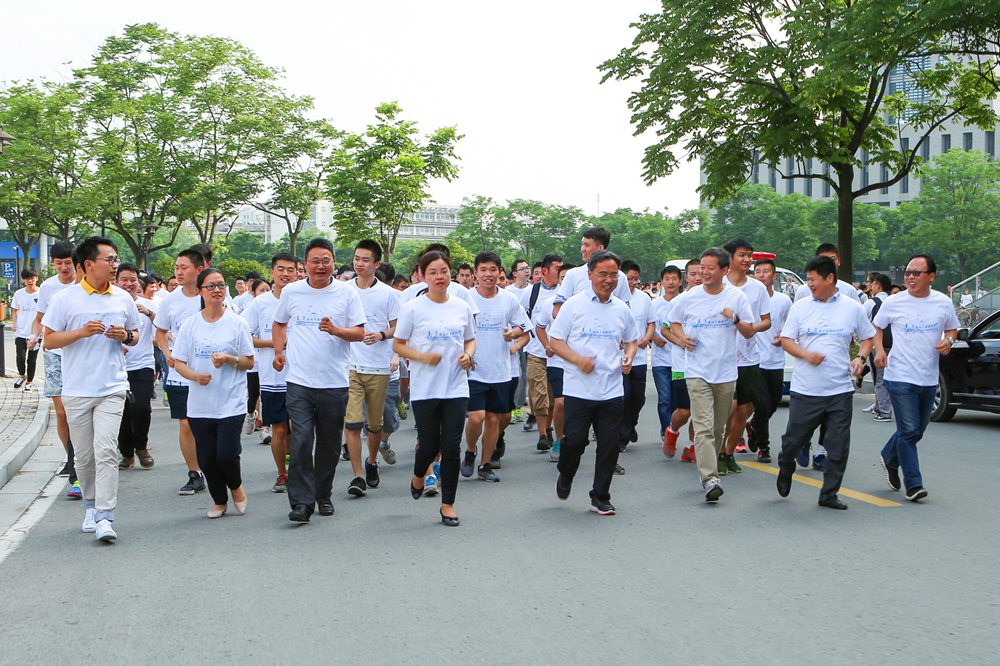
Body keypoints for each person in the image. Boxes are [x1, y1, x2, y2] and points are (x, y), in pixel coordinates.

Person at [42, 236, 141, 542]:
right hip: (77, 389)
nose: (114, 265)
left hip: (112, 386)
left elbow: (135, 334)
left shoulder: (122, 297)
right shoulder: (65, 299)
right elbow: (49, 340)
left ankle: (105, 516)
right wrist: (81, 332)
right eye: (108, 260)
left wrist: (125, 336)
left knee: (107, 451)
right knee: (84, 457)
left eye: (115, 259)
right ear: (88, 264)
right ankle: (90, 504)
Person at [273, 238, 367, 523]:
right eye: (315, 261)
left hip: (334, 381)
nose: (320, 266)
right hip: (299, 381)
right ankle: (301, 503)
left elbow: (360, 333)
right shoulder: (292, 292)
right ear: (305, 265)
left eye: (326, 261)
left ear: (334, 263)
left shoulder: (347, 293)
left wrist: (336, 330)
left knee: (328, 444)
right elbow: (279, 323)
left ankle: (323, 494)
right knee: (301, 441)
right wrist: (278, 351)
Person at [776, 255, 875, 510]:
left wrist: (861, 358)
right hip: (806, 389)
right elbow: (786, 340)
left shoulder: (852, 308)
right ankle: (786, 465)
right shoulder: (801, 307)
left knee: (838, 447)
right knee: (793, 441)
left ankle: (829, 494)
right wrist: (806, 355)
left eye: (813, 279)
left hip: (839, 390)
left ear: (830, 278)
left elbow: (868, 337)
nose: (809, 284)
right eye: (808, 279)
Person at [549, 250, 638, 516]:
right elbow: (555, 341)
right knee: (575, 442)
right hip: (578, 389)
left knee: (609, 446)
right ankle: (566, 472)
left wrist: (629, 357)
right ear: (590, 275)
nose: (609, 280)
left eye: (614, 275)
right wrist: (578, 360)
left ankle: (600, 495)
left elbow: (632, 340)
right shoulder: (573, 305)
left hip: (611, 390)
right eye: (603, 274)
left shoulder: (621, 308)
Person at [393, 250, 476, 527]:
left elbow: (470, 340)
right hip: (425, 389)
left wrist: (467, 355)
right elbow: (398, 344)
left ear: (450, 273)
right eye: (432, 272)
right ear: (421, 275)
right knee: (428, 446)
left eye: (444, 271)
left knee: (451, 447)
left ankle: (448, 505)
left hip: (456, 387)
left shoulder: (461, 306)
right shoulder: (412, 308)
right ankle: (419, 475)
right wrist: (422, 357)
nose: (439, 277)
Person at [668, 248, 754, 503]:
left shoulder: (736, 296)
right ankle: (710, 478)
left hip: (726, 372)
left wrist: (735, 318)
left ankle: (710, 466)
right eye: (702, 267)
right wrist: (682, 338)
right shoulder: (690, 296)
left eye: (710, 268)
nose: (704, 273)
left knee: (718, 428)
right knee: (704, 427)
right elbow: (673, 322)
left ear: (724, 270)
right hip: (697, 371)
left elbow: (749, 331)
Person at [873, 254, 958, 502]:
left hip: (929, 377)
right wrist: (879, 351)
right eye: (908, 272)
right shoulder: (894, 301)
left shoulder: (942, 302)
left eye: (916, 273)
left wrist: (949, 341)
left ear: (931, 276)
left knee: (916, 431)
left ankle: (889, 456)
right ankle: (914, 485)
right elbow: (876, 327)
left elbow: (952, 328)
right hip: (899, 375)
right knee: (908, 430)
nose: (910, 277)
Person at [172, 268, 255, 519]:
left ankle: (236, 487)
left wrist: (229, 359)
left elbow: (249, 361)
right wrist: (195, 376)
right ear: (200, 291)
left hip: (231, 400)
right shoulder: (190, 324)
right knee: (207, 459)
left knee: (227, 455)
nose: (217, 290)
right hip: (200, 403)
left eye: (221, 285)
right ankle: (220, 501)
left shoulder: (237, 322)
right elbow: (178, 362)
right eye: (210, 286)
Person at [461, 251, 527, 482]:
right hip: (474, 370)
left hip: (501, 370)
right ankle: (471, 450)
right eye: (483, 270)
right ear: (475, 273)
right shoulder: (466, 298)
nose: (488, 274)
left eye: (492, 270)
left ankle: (485, 465)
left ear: (499, 272)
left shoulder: (509, 299)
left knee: (493, 420)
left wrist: (512, 334)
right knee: (476, 418)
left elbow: (522, 328)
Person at [344, 239, 400, 496]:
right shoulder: (343, 290)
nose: (359, 263)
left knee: (374, 425)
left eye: (365, 259)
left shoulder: (389, 294)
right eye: (357, 258)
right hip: (350, 366)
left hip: (378, 367)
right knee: (353, 423)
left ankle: (372, 461)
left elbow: (398, 327)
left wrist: (380, 335)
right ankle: (357, 477)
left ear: (376, 264)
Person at [154, 248, 209, 495]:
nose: (178, 272)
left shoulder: (212, 295)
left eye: (184, 267)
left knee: (207, 424)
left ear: (199, 270)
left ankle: (213, 466)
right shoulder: (170, 300)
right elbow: (160, 332)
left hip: (208, 373)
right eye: (176, 267)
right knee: (185, 424)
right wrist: (167, 353)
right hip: (178, 373)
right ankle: (195, 473)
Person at [243, 253, 297, 492]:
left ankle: (297, 467)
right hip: (272, 377)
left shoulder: (303, 298)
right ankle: (282, 473)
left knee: (298, 428)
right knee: (280, 428)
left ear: (297, 273)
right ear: (272, 272)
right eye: (281, 269)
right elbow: (244, 335)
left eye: (291, 270)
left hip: (301, 377)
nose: (285, 274)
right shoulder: (260, 303)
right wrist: (273, 344)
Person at [31, 240, 80, 497]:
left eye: (68, 263)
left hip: (78, 352)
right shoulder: (49, 287)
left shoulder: (83, 284)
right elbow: (39, 319)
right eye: (59, 263)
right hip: (54, 353)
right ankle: (70, 458)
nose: (64, 267)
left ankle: (79, 460)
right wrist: (34, 336)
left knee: (75, 411)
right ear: (52, 263)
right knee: (61, 412)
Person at [720, 239, 771, 473]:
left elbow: (766, 321)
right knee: (728, 409)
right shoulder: (718, 285)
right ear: (730, 258)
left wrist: (751, 328)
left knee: (744, 410)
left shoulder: (757, 288)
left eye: (749, 255)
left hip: (749, 357)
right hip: (723, 357)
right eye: (742, 255)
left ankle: (729, 453)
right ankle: (719, 451)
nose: (747, 259)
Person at [748, 259, 792, 464]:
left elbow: (792, 325)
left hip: (775, 359)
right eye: (757, 271)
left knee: (774, 402)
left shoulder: (783, 301)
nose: (761, 275)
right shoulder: (747, 299)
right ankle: (763, 447)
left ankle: (752, 426)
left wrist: (784, 336)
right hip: (755, 360)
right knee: (762, 405)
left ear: (773, 276)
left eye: (765, 271)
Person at [114, 263, 157, 470]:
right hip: (116, 366)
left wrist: (149, 313)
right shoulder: (109, 304)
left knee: (140, 407)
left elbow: (164, 328)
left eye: (133, 279)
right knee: (122, 412)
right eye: (124, 279)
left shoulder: (147, 305)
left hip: (143, 364)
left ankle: (141, 447)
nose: (129, 283)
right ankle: (126, 454)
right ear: (115, 281)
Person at [518, 254, 563, 450]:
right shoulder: (531, 292)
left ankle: (550, 429)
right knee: (538, 394)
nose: (560, 273)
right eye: (556, 269)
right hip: (536, 351)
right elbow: (521, 317)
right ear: (545, 271)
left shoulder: (564, 293)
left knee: (553, 397)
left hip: (558, 356)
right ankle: (543, 435)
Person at [533, 262, 574, 463]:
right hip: (557, 362)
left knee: (578, 405)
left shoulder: (584, 303)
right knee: (560, 402)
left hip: (578, 364)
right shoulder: (550, 303)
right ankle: (559, 439)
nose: (566, 281)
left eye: (570, 278)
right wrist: (547, 344)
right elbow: (539, 327)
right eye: (563, 277)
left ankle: (574, 438)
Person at [663, 260, 703, 461]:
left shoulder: (711, 300)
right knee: (686, 411)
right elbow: (664, 329)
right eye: (693, 274)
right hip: (682, 365)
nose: (698, 277)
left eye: (701, 273)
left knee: (700, 411)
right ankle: (672, 431)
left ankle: (691, 447)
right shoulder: (678, 301)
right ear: (686, 277)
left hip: (704, 366)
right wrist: (680, 341)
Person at [552, 226, 631, 318]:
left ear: (600, 248)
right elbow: (557, 312)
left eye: (587, 245)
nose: (582, 249)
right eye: (582, 245)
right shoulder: (573, 275)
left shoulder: (620, 277)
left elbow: (627, 313)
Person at [619, 260, 657, 454]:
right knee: (624, 397)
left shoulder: (644, 298)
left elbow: (651, 322)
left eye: (636, 279)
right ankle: (622, 436)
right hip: (620, 358)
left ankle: (630, 424)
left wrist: (647, 337)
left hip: (640, 357)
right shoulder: (615, 298)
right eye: (629, 279)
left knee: (638, 398)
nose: (633, 282)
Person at [650, 265, 681, 446]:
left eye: (674, 278)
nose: (670, 282)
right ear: (661, 282)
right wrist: (654, 338)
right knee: (664, 398)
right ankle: (666, 429)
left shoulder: (684, 302)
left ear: (680, 281)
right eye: (667, 279)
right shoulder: (654, 305)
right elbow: (647, 326)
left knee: (677, 401)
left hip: (679, 361)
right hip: (660, 360)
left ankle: (672, 429)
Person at [865, 273, 893, 422]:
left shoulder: (871, 303)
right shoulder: (894, 301)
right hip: (895, 344)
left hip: (878, 344)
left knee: (879, 378)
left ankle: (883, 410)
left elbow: (862, 321)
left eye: (873, 284)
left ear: (878, 286)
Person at [794, 244, 862, 304]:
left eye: (832, 259)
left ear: (839, 261)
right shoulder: (803, 292)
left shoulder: (849, 291)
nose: (828, 263)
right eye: (823, 260)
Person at [11, 268, 40, 391]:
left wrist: (43, 328)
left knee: (32, 360)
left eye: (32, 278)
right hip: (21, 331)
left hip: (36, 332)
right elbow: (15, 310)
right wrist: (14, 324)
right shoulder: (19, 294)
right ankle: (22, 376)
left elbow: (46, 312)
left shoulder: (41, 293)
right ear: (23, 280)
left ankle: (29, 382)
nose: (30, 281)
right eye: (27, 279)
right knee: (20, 358)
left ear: (36, 278)